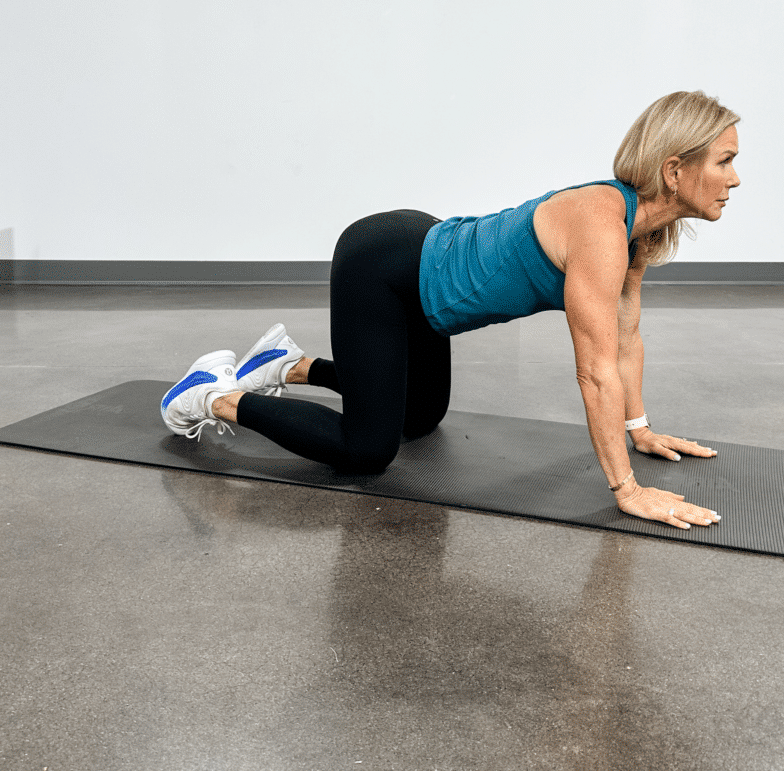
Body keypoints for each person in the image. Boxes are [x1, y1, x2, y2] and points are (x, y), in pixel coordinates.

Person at [156, 90, 740, 530]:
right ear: (674, 169)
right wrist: (626, 489)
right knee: (368, 450)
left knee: (420, 418)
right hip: (385, 268)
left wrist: (638, 429)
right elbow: (595, 370)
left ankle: (289, 363)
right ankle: (210, 394)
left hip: (426, 276)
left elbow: (625, 335)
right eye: (724, 162)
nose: (734, 180)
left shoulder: (639, 232)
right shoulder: (601, 227)